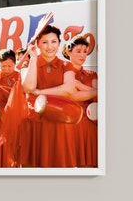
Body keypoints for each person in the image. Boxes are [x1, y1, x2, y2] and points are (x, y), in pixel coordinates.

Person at [16, 24, 77, 167]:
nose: (50, 47)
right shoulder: (29, 64)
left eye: (54, 42)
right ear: (37, 44)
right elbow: (28, 87)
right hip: (35, 122)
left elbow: (68, 89)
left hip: (59, 120)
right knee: (32, 168)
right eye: (45, 42)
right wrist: (33, 59)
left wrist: (40, 93)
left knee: (60, 167)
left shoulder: (66, 65)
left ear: (59, 43)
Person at [34, 35, 98, 167]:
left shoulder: (92, 74)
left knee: (89, 165)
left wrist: (80, 87)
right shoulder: (63, 70)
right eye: (78, 51)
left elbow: (100, 96)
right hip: (69, 121)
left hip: (89, 125)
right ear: (68, 52)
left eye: (85, 52)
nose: (82, 55)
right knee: (65, 163)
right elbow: (70, 95)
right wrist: (93, 91)